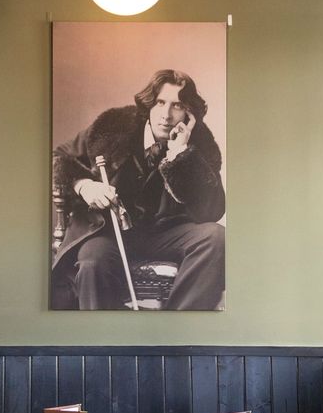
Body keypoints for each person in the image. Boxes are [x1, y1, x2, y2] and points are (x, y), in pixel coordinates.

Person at [52, 69, 225, 310]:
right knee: (92, 260)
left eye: (177, 105)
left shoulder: (200, 142)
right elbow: (59, 159)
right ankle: (102, 339)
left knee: (217, 237)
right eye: (160, 103)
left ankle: (176, 331)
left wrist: (182, 156)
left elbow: (212, 211)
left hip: (167, 235)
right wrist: (85, 186)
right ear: (148, 105)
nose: (166, 115)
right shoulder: (113, 127)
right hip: (109, 232)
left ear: (189, 112)